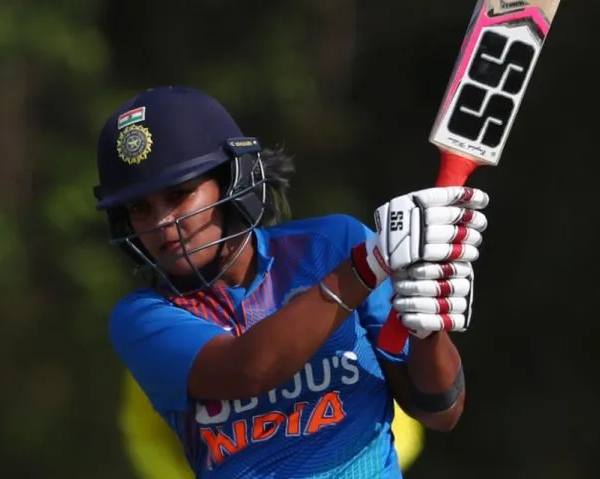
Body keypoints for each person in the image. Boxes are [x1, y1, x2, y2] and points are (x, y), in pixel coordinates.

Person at [93, 85, 490, 478]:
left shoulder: (333, 246)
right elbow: (248, 368)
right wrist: (373, 264)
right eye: (140, 209)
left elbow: (440, 411)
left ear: (234, 179)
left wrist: (426, 325)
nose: (162, 224)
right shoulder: (142, 320)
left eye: (179, 195)